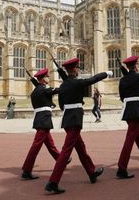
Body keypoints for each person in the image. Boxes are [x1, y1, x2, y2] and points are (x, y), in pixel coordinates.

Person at [45, 58, 113, 194]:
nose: (78, 70)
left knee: (81, 148)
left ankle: (91, 172)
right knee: (66, 151)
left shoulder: (63, 86)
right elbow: (93, 79)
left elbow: (61, 105)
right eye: (77, 68)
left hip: (67, 119)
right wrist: (106, 73)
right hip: (75, 119)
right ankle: (53, 181)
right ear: (74, 69)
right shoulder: (76, 83)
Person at [21, 68, 69, 180]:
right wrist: (67, 83)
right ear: (42, 79)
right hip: (44, 120)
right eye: (47, 76)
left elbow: (44, 101)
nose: (49, 78)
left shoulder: (35, 92)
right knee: (36, 146)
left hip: (40, 119)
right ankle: (26, 170)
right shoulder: (45, 89)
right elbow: (58, 90)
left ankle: (61, 159)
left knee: (50, 144)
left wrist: (50, 103)